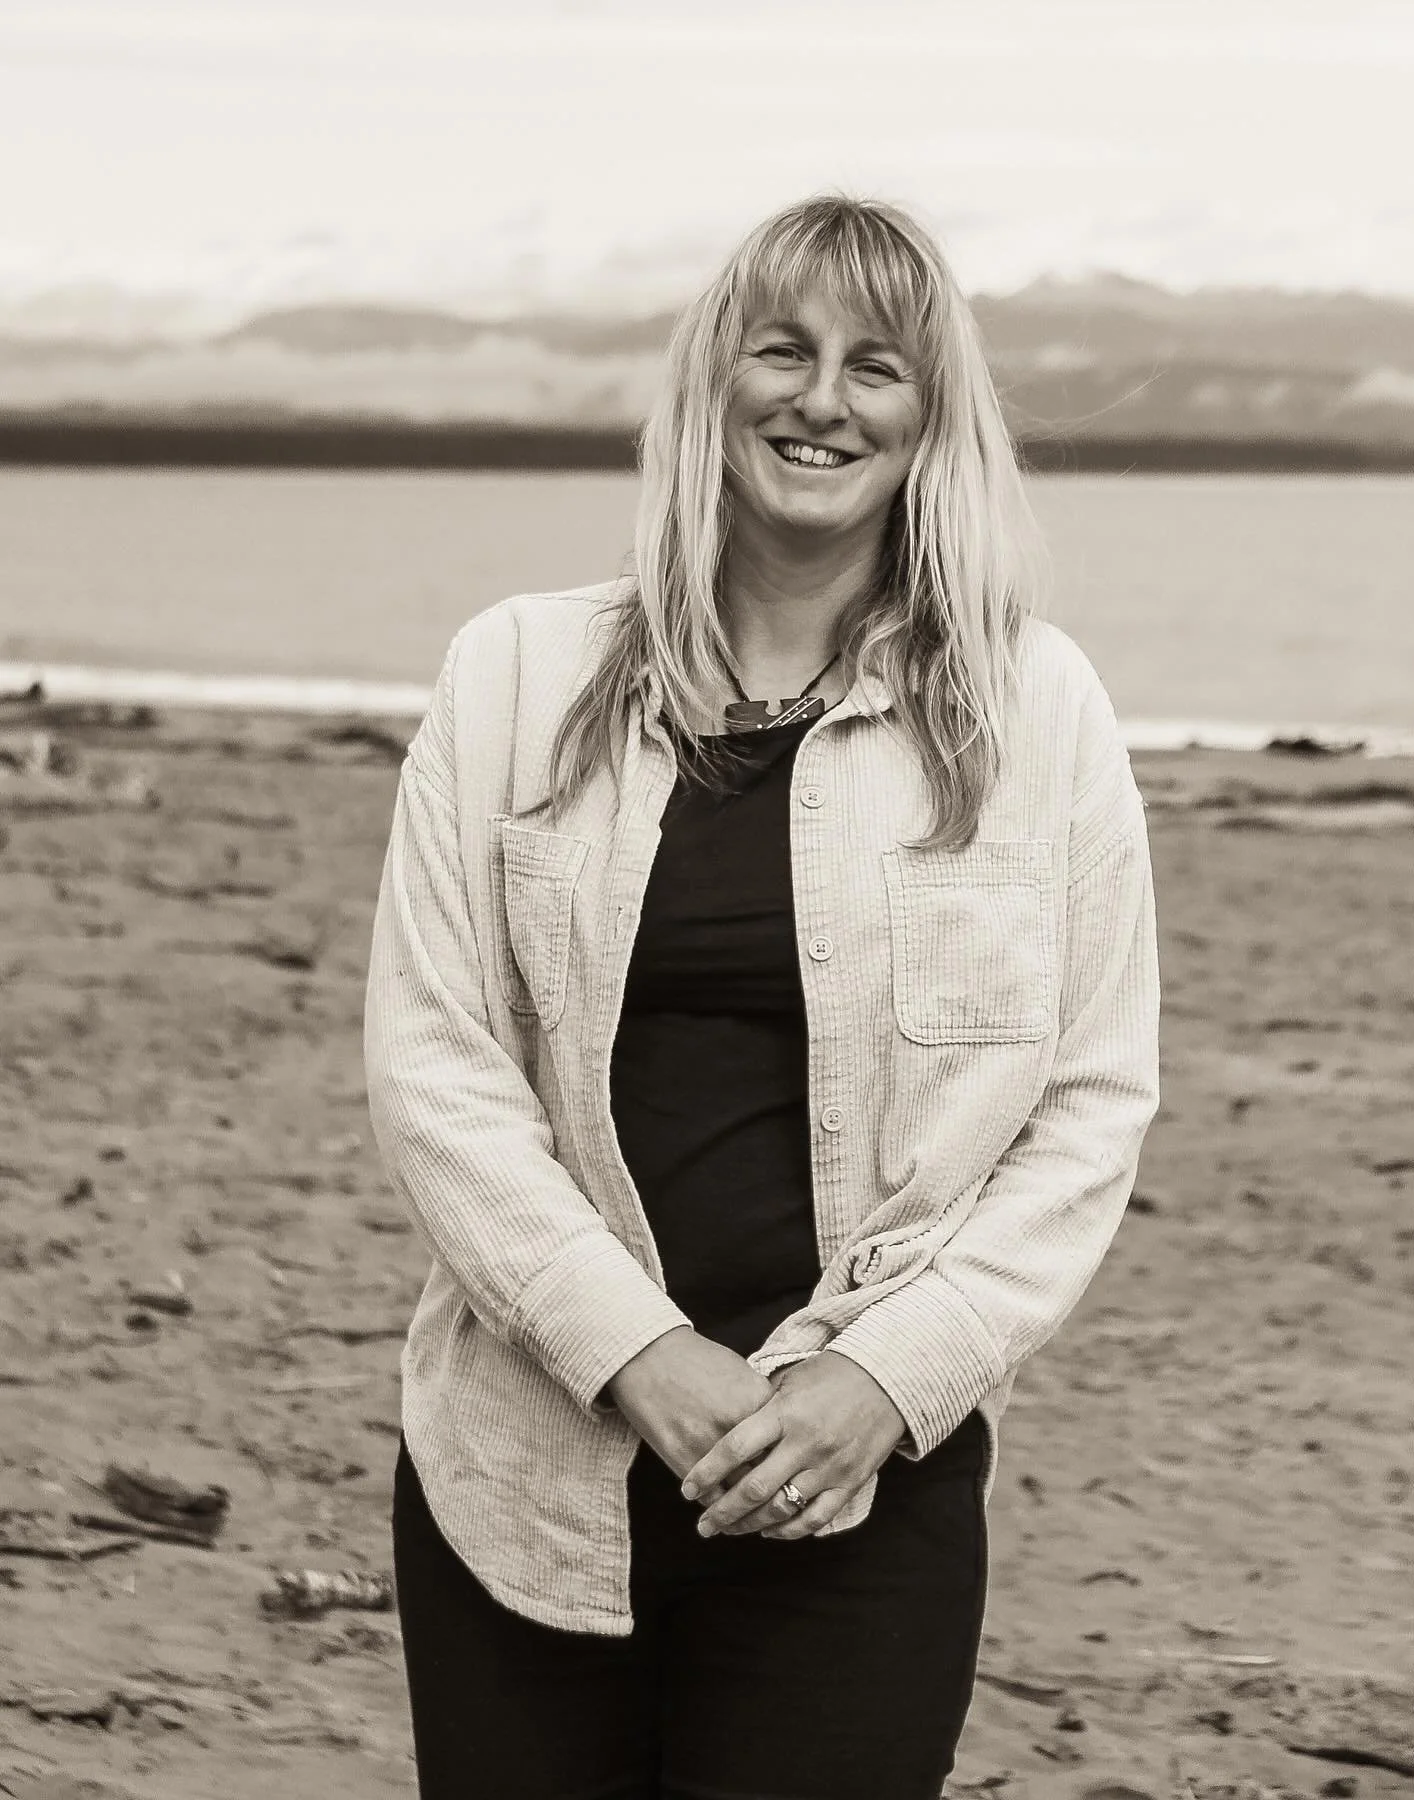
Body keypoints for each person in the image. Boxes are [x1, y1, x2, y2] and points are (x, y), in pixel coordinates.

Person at [364, 194, 1161, 1800]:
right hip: (530, 1468)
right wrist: (638, 1356)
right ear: (709, 383)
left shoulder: (1035, 710)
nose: (823, 399)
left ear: (935, 416)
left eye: (880, 366)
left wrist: (881, 1383)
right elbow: (437, 1068)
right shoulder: (514, 677)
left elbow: (1090, 1106)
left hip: (868, 1480)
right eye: (780, 350)